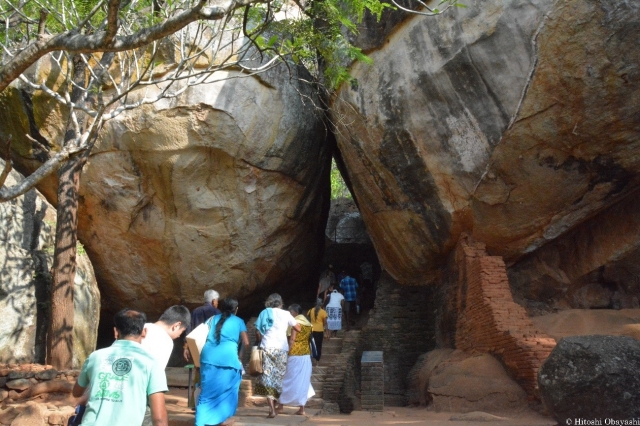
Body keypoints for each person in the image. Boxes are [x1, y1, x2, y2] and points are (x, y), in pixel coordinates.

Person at [72, 309, 168, 426]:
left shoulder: (95, 357)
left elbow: (76, 392)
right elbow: (159, 418)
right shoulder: (152, 363)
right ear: (144, 332)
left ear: (116, 332)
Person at [195, 297, 249, 426]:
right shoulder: (239, 321)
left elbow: (199, 336)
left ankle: (201, 422)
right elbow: (246, 342)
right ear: (236, 309)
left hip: (207, 358)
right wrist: (240, 357)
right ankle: (219, 419)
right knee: (228, 390)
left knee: (206, 394)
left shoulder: (212, 319)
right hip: (228, 359)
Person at [254, 293, 301, 418]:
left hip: (267, 347)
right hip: (281, 349)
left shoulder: (265, 312)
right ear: (281, 303)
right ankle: (274, 406)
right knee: (278, 378)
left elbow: (257, 331)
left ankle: (272, 409)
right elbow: (298, 328)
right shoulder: (286, 314)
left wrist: (260, 340)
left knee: (267, 377)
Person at [276, 304, 315, 416]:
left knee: (286, 378)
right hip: (306, 354)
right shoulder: (308, 323)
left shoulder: (294, 322)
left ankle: (281, 406)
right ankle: (302, 408)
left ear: (294, 312)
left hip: (295, 354)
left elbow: (292, 339)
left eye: (290, 311)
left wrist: (288, 352)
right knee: (303, 380)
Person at [307, 298, 328, 363]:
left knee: (312, 345)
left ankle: (311, 359)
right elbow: (325, 322)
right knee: (318, 345)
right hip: (320, 330)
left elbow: (308, 318)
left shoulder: (310, 310)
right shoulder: (323, 312)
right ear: (321, 304)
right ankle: (317, 361)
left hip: (312, 330)